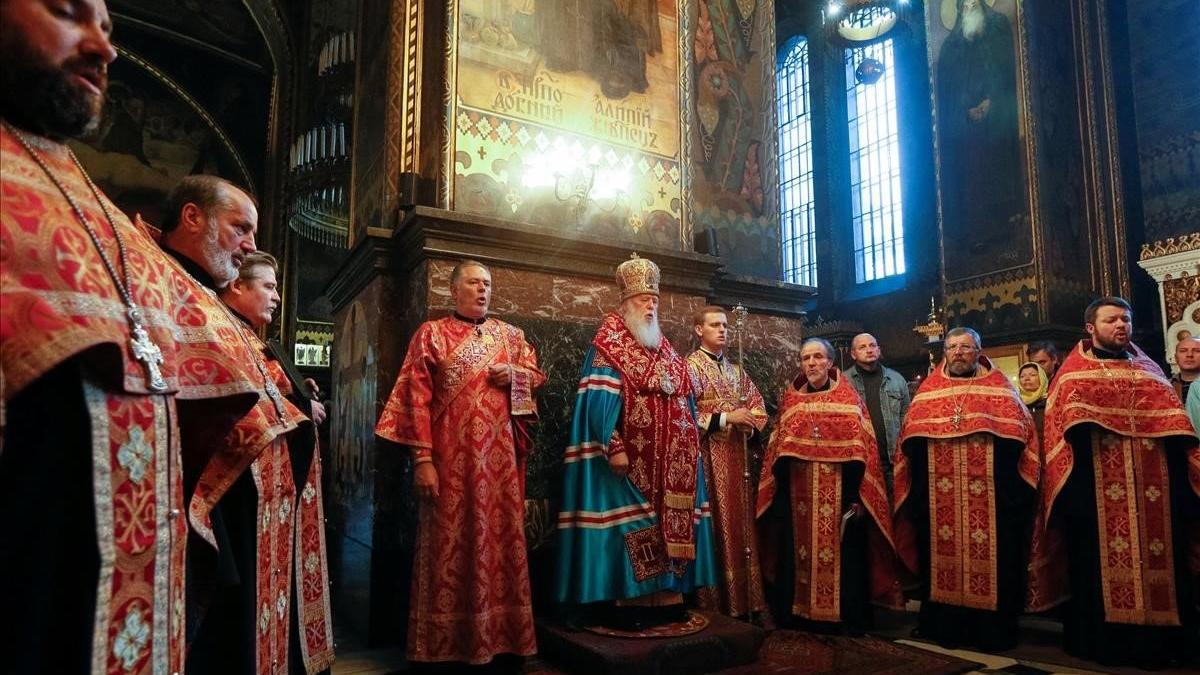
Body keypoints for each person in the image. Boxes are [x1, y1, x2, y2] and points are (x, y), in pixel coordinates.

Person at [0, 3, 269, 672]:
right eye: (68, 13)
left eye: (111, 28)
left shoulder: (103, 215)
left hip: (126, 609)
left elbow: (228, 363)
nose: (103, 47)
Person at [156, 176, 323, 674]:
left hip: (254, 505)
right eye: (240, 229)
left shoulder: (212, 306)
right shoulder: (173, 288)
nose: (250, 243)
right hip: (206, 503)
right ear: (192, 218)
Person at [375, 260, 544, 669]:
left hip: (501, 467)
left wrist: (516, 375)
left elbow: (537, 376)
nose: (482, 290)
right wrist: (423, 460)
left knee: (502, 542)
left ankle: (502, 642)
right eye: (473, 283)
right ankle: (445, 647)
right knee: (450, 544)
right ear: (455, 290)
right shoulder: (430, 335)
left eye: (487, 284)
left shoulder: (511, 335)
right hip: (451, 463)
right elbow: (413, 401)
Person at [1027, 297, 1200, 669]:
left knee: (1166, 565)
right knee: (1094, 567)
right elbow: (1060, 440)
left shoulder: (1150, 372)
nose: (1121, 325)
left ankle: (1165, 641)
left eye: (1125, 319)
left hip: (1156, 492)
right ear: (1091, 328)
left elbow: (1176, 428)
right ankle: (1105, 642)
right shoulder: (1072, 375)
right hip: (1095, 495)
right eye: (1111, 320)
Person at [556, 254, 718, 629]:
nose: (650, 305)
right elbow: (597, 402)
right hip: (625, 464)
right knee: (631, 528)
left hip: (670, 467)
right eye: (643, 300)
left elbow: (685, 398)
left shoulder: (667, 351)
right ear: (626, 304)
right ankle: (629, 603)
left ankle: (665, 600)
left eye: (655, 300)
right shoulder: (607, 347)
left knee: (666, 529)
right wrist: (612, 445)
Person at [217, 251, 335, 674]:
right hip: (244, 501)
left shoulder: (254, 339)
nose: (277, 297)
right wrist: (299, 410)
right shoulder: (222, 332)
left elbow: (275, 395)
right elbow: (237, 405)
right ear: (237, 286)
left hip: (278, 497)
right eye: (268, 286)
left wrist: (299, 393)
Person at [894, 327, 1039, 651]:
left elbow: (1022, 441)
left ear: (978, 351)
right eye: (953, 347)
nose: (959, 352)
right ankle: (942, 626)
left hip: (994, 500)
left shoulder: (1000, 390)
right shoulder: (928, 392)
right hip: (937, 502)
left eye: (965, 347)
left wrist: (1011, 494)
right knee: (939, 561)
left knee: (997, 564)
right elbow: (910, 445)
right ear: (945, 352)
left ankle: (993, 631)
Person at [757, 339, 902, 635]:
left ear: (830, 363)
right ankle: (799, 617)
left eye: (817, 357)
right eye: (805, 358)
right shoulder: (791, 400)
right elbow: (777, 455)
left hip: (841, 499)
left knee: (845, 560)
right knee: (795, 559)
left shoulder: (848, 399)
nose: (811, 363)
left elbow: (864, 453)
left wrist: (856, 497)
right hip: (798, 500)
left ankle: (844, 618)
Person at [686, 306, 769, 618]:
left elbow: (759, 407)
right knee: (714, 527)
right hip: (707, 461)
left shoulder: (737, 371)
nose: (722, 330)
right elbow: (683, 415)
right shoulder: (689, 368)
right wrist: (725, 417)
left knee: (741, 527)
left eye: (724, 325)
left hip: (738, 460)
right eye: (714, 325)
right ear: (698, 330)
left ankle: (748, 601)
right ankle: (716, 603)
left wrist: (750, 423)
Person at [937, 0, 1023, 277]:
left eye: (974, 0)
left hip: (995, 119)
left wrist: (990, 101)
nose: (970, 4)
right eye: (965, 2)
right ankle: (975, 233)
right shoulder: (952, 46)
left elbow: (1005, 72)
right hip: (964, 125)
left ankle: (1001, 226)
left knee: (996, 170)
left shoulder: (997, 26)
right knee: (971, 177)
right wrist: (964, 109)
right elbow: (946, 87)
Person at [844, 332, 911, 496]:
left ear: (879, 350)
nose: (869, 350)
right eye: (862, 347)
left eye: (872, 345)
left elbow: (907, 420)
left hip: (891, 462)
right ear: (853, 354)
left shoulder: (897, 380)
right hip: (860, 464)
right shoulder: (843, 382)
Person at [1017, 361, 1048, 448]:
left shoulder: (1051, 401)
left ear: (1041, 378)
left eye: (1033, 375)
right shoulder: (1017, 404)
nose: (1027, 378)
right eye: (1022, 376)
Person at [1171, 335, 1200, 402]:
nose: (1189, 355)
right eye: (1183, 351)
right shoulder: (1165, 386)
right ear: (1176, 358)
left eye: (1197, 351)